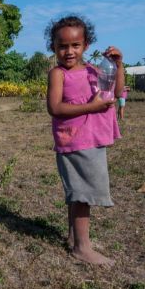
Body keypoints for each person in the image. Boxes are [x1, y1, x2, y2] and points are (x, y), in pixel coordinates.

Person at [45, 14, 124, 265]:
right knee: (83, 194)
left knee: (78, 192)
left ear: (86, 45)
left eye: (75, 45)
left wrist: (119, 66)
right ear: (54, 47)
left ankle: (74, 239)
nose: (69, 51)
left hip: (92, 138)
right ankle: (82, 248)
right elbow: (55, 108)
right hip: (75, 140)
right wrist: (90, 107)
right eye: (62, 46)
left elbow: (117, 92)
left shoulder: (95, 70)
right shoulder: (58, 74)